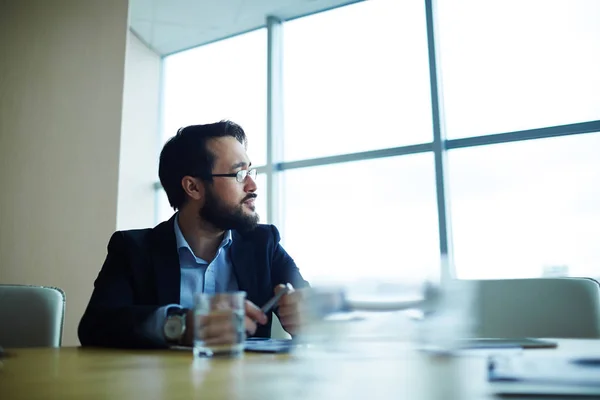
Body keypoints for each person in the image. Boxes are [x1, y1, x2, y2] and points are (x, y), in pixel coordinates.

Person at [78, 121, 308, 348]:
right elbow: (96, 326)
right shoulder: (133, 249)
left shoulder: (263, 244)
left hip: (245, 383)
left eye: (250, 172)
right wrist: (180, 325)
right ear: (193, 187)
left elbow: (311, 308)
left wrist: (307, 317)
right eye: (239, 174)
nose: (252, 185)